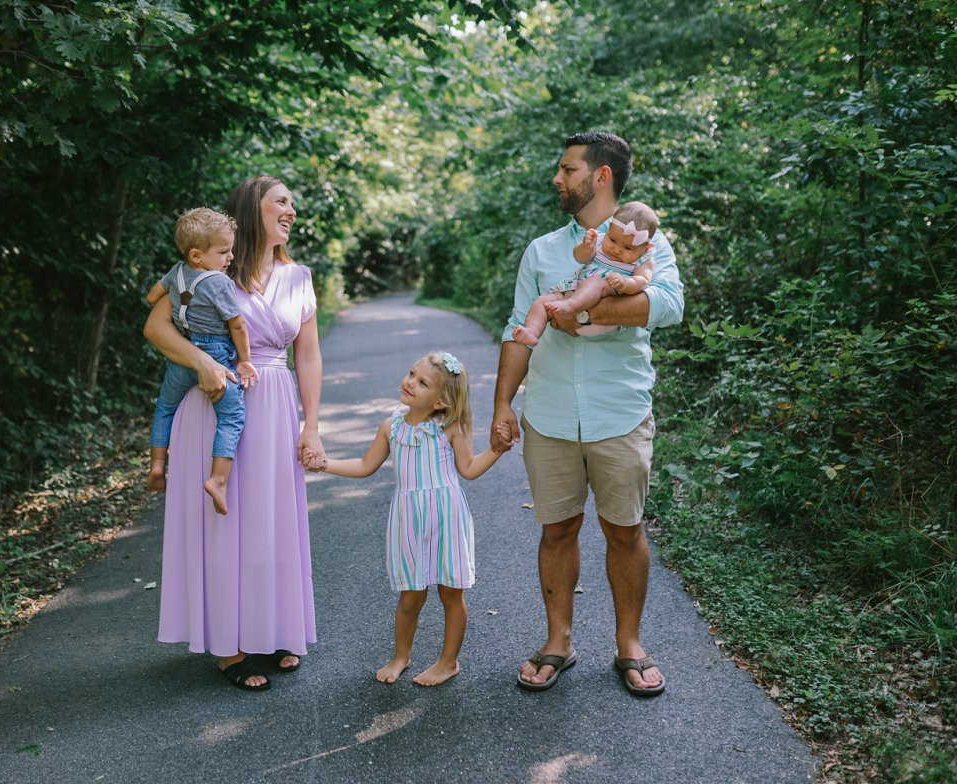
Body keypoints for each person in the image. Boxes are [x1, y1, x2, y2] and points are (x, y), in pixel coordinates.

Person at [490, 132, 684, 697]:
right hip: (547, 412)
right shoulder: (543, 250)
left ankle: (630, 645)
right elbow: (516, 331)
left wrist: (592, 308)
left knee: (624, 531)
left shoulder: (648, 240)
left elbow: (668, 304)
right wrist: (503, 402)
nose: (558, 178)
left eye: (567, 169)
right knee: (557, 529)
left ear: (600, 176)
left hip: (619, 410)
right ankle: (559, 642)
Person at [144, 175, 325, 691]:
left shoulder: (299, 276)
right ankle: (230, 646)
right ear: (253, 210)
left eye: (293, 201)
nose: (292, 210)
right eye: (281, 202)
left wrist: (310, 426)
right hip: (216, 402)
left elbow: (307, 356)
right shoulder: (209, 269)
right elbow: (155, 328)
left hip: (274, 404)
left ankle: (274, 628)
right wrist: (202, 361)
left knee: (271, 521)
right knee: (225, 525)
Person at [305, 352, 505, 686]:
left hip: (446, 518)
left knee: (451, 594)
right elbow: (365, 466)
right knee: (410, 596)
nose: (410, 382)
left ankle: (448, 661)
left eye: (422, 382)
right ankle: (401, 656)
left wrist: (496, 450)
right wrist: (324, 464)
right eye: (412, 373)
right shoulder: (392, 426)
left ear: (441, 401)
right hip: (409, 521)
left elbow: (468, 470)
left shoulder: (449, 428)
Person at [143, 208, 259, 514]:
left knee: (165, 407)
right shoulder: (219, 283)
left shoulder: (176, 272)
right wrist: (244, 360)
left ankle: (156, 466)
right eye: (223, 252)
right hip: (217, 354)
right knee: (231, 417)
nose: (230, 258)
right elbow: (237, 325)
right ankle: (218, 480)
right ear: (197, 254)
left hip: (181, 358)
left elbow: (152, 297)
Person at [512, 201, 658, 347]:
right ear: (608, 230)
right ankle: (532, 332)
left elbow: (643, 279)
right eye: (612, 240)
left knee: (595, 282)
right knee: (542, 302)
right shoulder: (600, 241)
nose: (616, 249)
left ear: (646, 248)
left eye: (627, 248)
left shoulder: (644, 259)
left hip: (603, 300)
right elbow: (580, 258)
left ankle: (571, 306)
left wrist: (626, 283)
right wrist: (586, 248)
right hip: (576, 289)